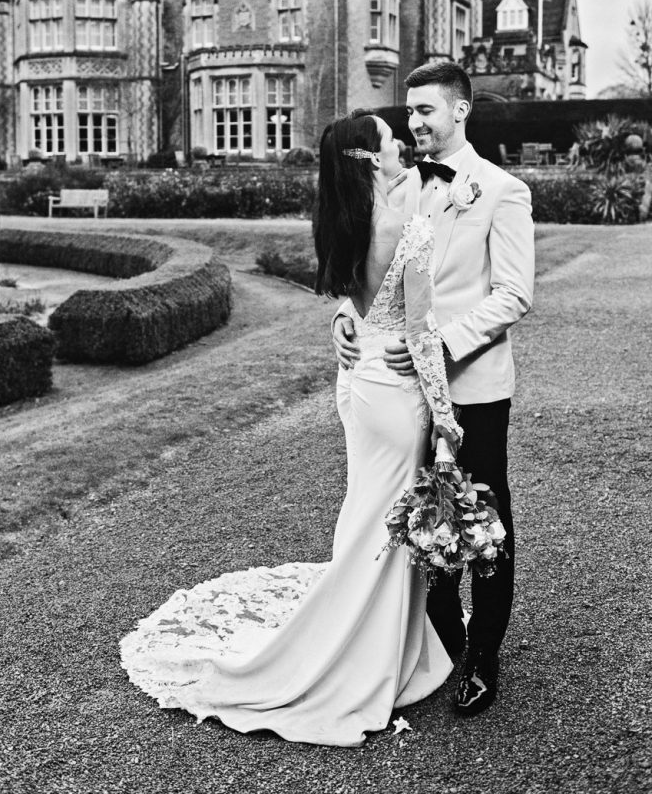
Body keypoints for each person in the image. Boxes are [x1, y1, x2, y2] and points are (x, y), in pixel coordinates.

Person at [120, 111, 464, 747]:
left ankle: (378, 642)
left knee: (368, 515)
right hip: (395, 392)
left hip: (358, 381)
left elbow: (356, 298)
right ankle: (355, 659)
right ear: (370, 158)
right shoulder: (405, 225)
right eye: (390, 140)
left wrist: (347, 321)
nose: (402, 143)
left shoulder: (343, 218)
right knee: (384, 525)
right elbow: (421, 334)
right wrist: (446, 419)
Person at [333, 61, 535, 716]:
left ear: (460, 110)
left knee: (483, 517)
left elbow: (514, 295)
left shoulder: (502, 190)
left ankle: (484, 654)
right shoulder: (399, 185)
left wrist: (439, 346)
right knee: (425, 512)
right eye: (410, 110)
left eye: (426, 109)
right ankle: (442, 636)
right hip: (405, 396)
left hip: (473, 384)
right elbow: (368, 268)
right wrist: (344, 317)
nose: (414, 121)